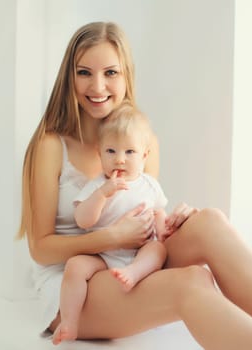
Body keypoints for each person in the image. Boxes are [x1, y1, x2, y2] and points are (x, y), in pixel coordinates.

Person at [17, 21, 252, 349]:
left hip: (127, 263)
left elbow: (145, 215)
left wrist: (170, 224)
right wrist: (109, 237)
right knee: (190, 284)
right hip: (75, 285)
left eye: (111, 73)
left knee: (209, 222)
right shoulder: (52, 145)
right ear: (70, 76)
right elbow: (40, 249)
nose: (97, 86)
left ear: (126, 76)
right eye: (84, 72)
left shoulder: (143, 142)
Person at [52, 103, 169, 344]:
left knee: (157, 249)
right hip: (102, 256)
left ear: (144, 155)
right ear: (100, 153)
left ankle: (134, 273)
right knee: (74, 266)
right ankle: (70, 322)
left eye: (129, 152)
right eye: (111, 151)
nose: (120, 160)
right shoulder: (97, 186)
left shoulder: (149, 185)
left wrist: (164, 228)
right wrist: (103, 194)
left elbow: (159, 212)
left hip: (137, 252)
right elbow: (83, 221)